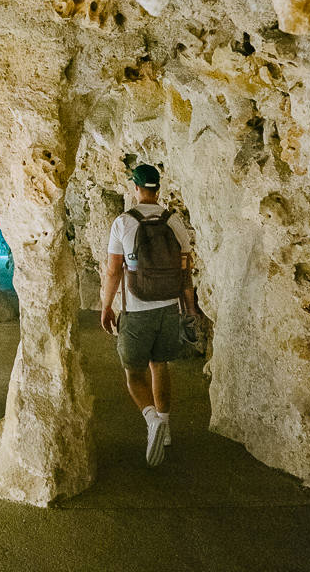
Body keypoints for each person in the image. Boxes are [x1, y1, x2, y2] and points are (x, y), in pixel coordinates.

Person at [101, 163, 198, 467]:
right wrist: (190, 308)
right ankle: (165, 428)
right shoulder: (175, 222)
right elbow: (186, 270)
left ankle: (151, 419)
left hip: (137, 310)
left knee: (134, 373)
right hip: (169, 307)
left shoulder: (124, 223)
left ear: (136, 188)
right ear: (158, 188)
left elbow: (115, 269)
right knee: (160, 365)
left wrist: (106, 306)